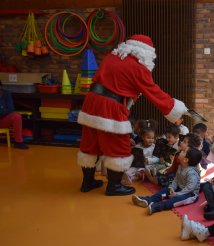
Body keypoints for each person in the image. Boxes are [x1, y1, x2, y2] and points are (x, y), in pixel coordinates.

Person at [77, 34, 189, 195]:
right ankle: (114, 186)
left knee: (90, 142)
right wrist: (174, 108)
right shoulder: (138, 67)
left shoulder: (112, 56)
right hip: (111, 106)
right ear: (146, 53)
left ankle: (87, 182)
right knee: (119, 145)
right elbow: (153, 92)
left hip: (91, 102)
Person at [132, 147, 202, 214]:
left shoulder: (192, 173)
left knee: (174, 200)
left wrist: (176, 194)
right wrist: (171, 187)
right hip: (179, 188)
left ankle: (157, 206)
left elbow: (189, 188)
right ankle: (148, 200)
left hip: (189, 194)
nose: (181, 151)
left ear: (186, 160)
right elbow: (176, 179)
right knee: (165, 191)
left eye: (183, 152)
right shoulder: (181, 166)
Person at [0, 80, 28, 149]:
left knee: (16, 116)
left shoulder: (6, 94)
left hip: (3, 120)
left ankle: (18, 142)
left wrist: (1, 111)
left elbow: (11, 109)